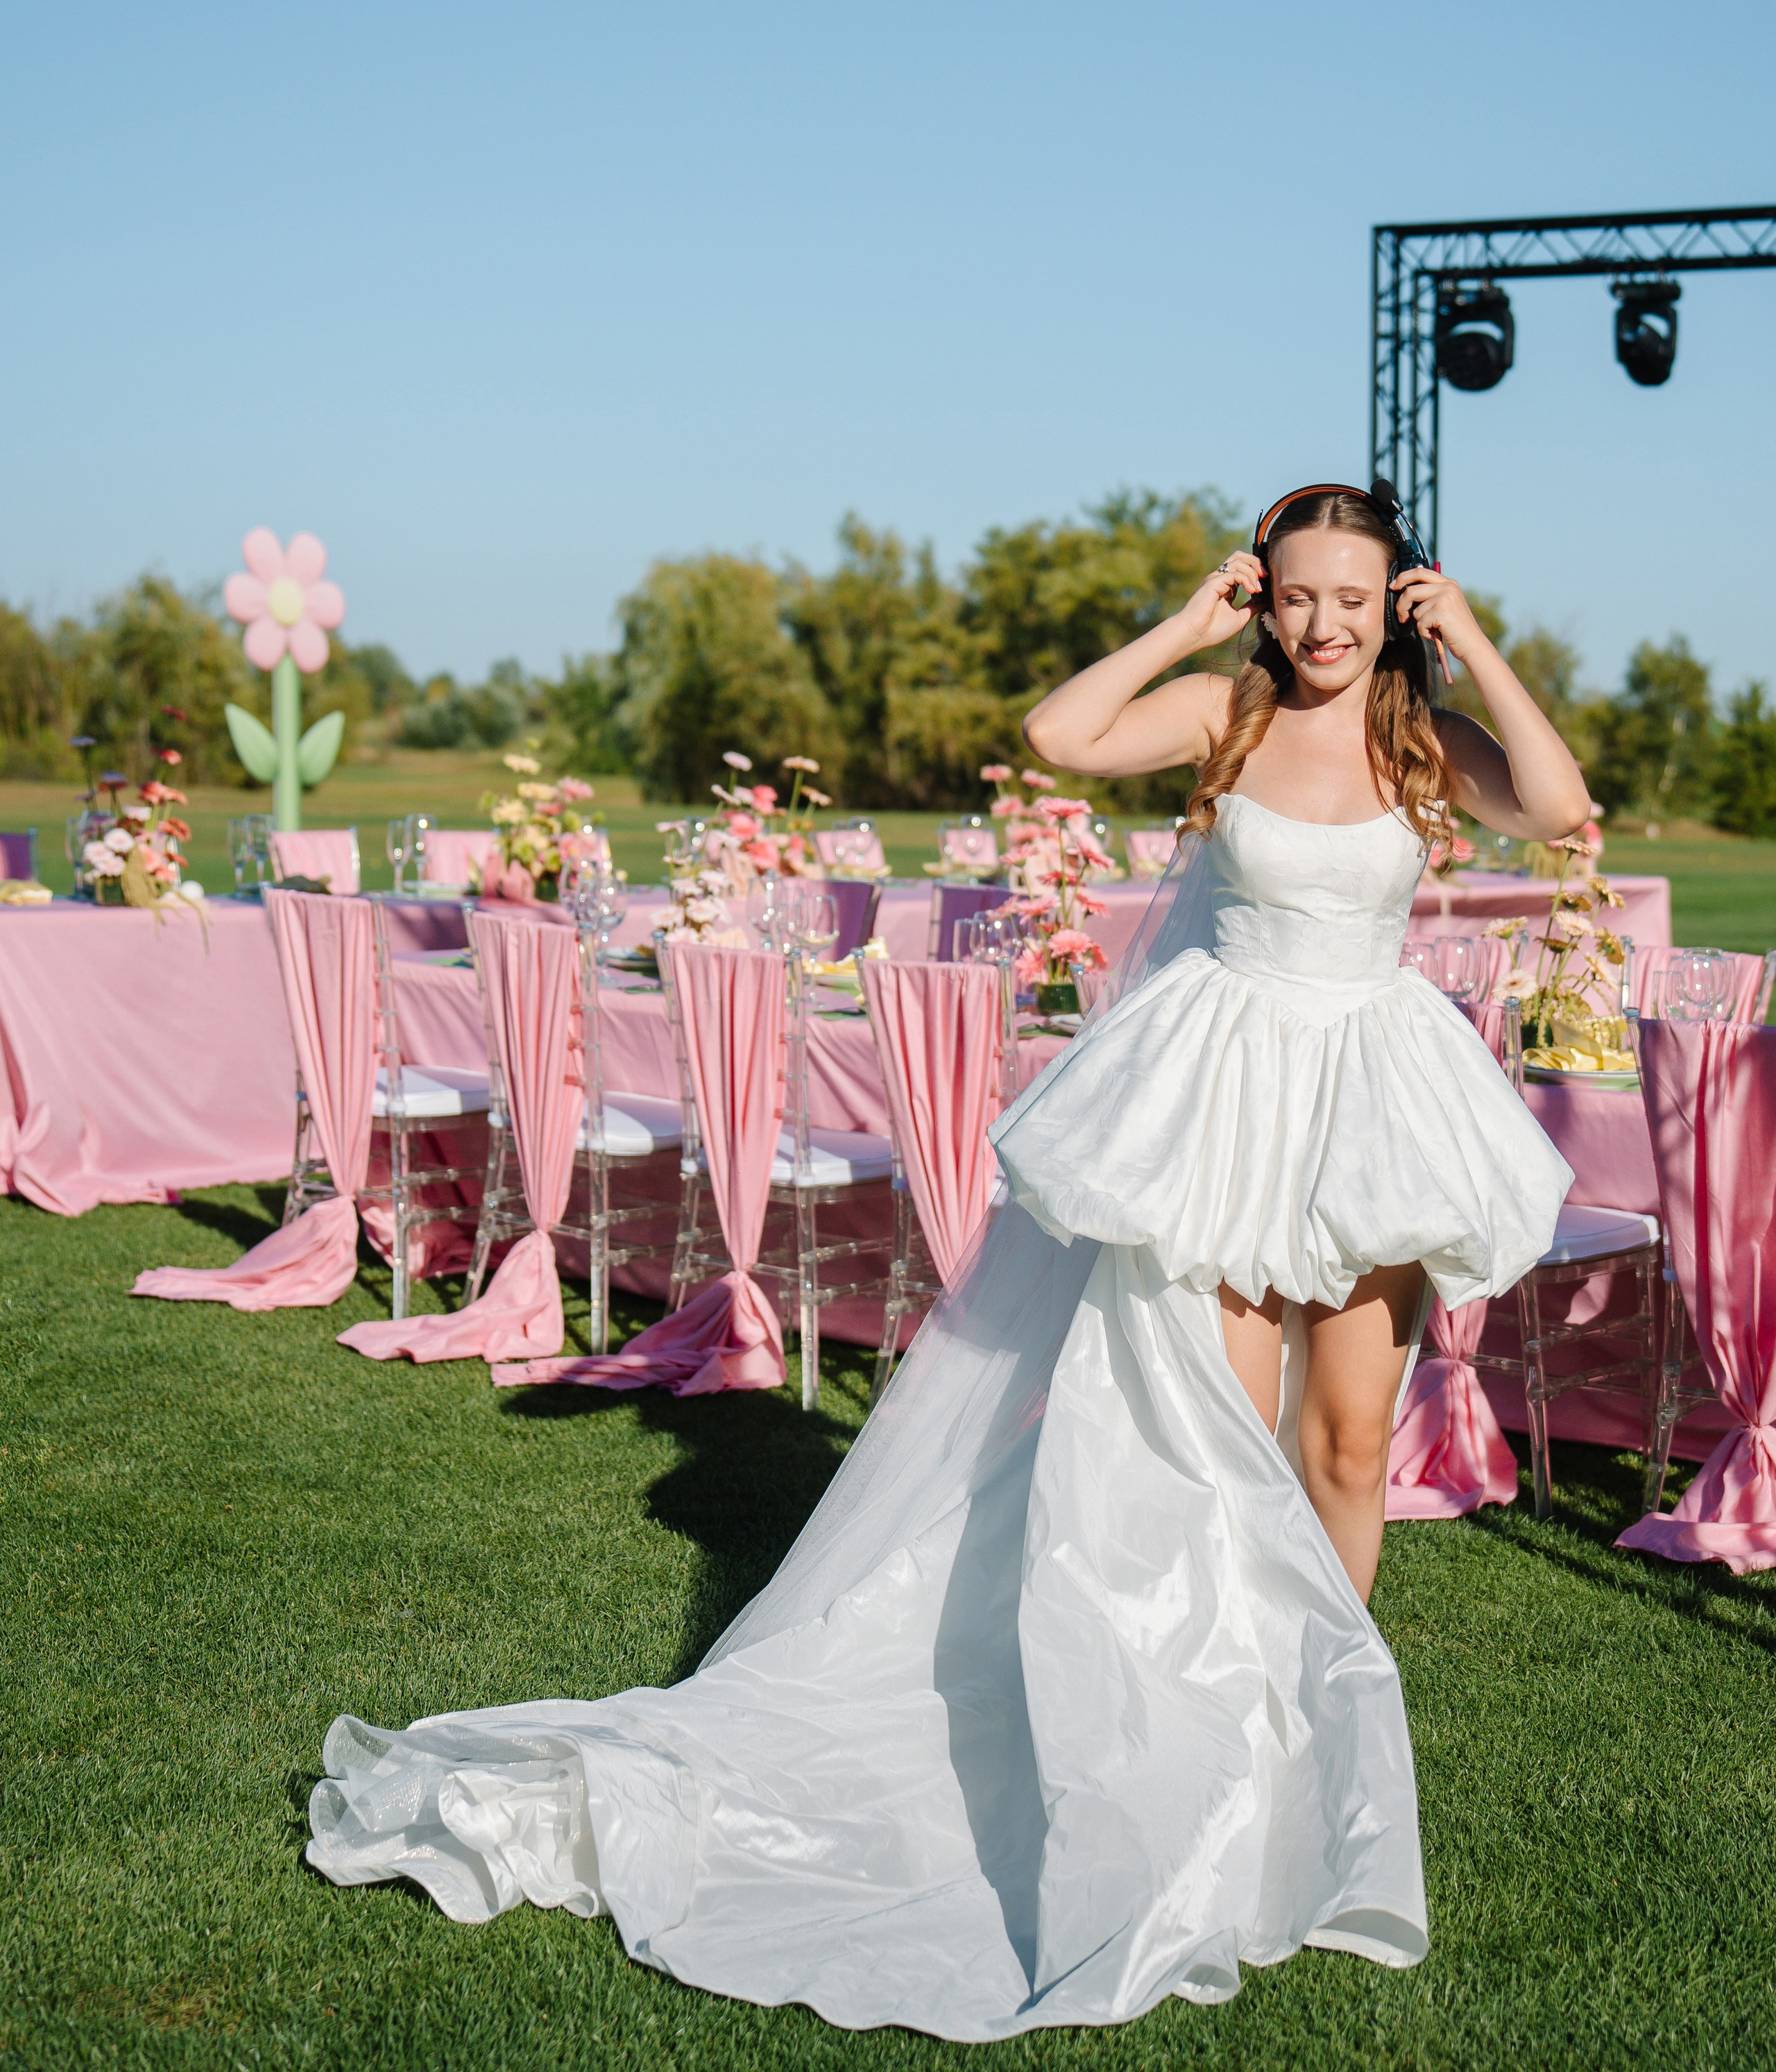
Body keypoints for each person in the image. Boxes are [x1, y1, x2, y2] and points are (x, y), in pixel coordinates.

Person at [307, 481, 1585, 2039]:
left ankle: (1328, 1737)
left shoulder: (1411, 736)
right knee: (1227, 1448)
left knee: (1342, 1438)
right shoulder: (1222, 714)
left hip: (1365, 1102)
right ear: (1267, 593)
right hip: (1230, 1097)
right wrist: (1190, 620)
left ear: (1399, 601)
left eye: (1355, 597)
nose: (1324, 623)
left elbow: (1556, 800)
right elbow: (1060, 734)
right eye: (1297, 593)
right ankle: (1219, 1758)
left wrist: (1476, 641)